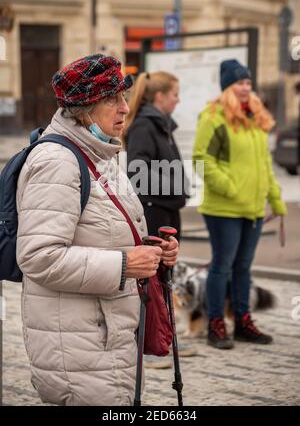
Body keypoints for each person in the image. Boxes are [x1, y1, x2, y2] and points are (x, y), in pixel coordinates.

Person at [16, 54, 179, 405]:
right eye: (112, 100)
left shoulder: (101, 155)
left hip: (106, 338)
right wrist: (125, 264)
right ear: (83, 109)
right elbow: (38, 257)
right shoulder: (56, 163)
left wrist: (153, 252)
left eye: (122, 97)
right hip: (79, 348)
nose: (124, 108)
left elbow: (105, 232)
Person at [192, 59, 287, 350]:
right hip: (224, 208)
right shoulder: (213, 117)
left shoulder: (255, 117)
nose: (245, 88)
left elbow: (264, 165)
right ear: (227, 87)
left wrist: (275, 198)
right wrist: (230, 187)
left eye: (247, 82)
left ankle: (243, 321)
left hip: (254, 209)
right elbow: (200, 158)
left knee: (244, 268)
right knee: (222, 266)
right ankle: (216, 324)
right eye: (239, 83)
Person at [123, 71, 188, 242]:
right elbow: (138, 171)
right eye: (175, 94)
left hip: (167, 208)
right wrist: (176, 188)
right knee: (158, 267)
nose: (178, 100)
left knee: (167, 266)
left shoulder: (161, 124)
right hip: (155, 212)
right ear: (160, 96)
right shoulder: (144, 125)